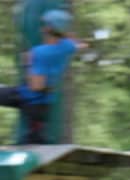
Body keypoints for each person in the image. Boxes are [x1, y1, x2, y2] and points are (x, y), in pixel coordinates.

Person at [0, 9, 87, 144]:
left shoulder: (40, 53)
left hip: (31, 101)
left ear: (48, 28)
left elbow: (36, 86)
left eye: (44, 25)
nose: (41, 28)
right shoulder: (67, 47)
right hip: (45, 102)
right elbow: (81, 45)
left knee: (32, 142)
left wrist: (28, 64)